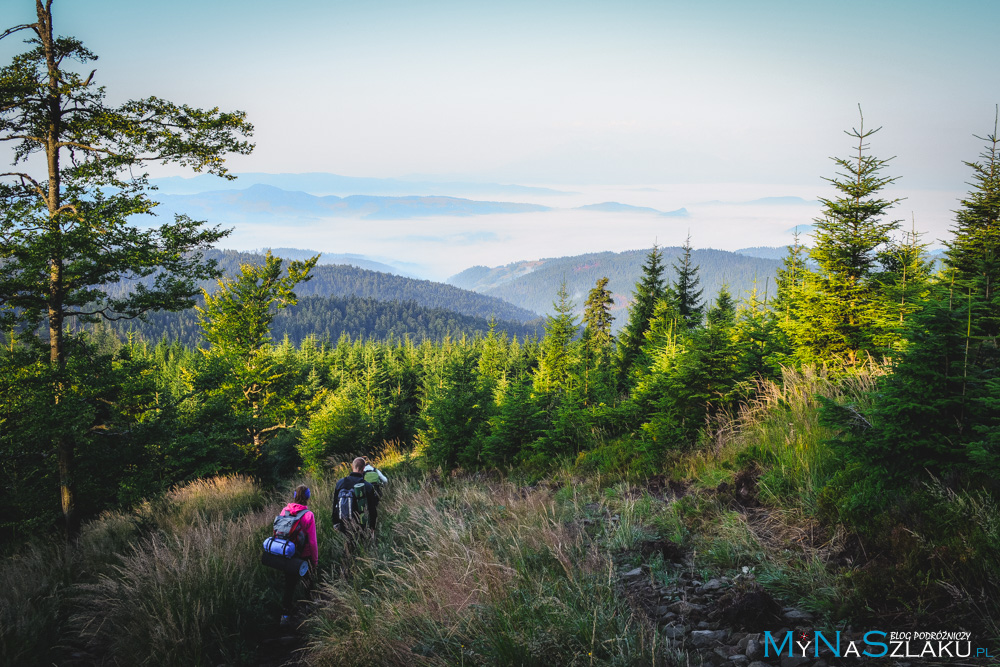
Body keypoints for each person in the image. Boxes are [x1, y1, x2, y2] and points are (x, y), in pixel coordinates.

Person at [278, 485, 317, 627]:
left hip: (287, 554)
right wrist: (315, 560)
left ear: (294, 495)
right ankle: (309, 611)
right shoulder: (308, 515)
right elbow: (312, 542)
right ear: (308, 496)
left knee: (289, 586)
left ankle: (285, 616)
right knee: (308, 583)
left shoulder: (284, 510)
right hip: (304, 555)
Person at [333, 457, 380, 545]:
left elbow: (335, 504)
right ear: (363, 469)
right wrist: (372, 527)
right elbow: (372, 509)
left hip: (344, 522)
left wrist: (335, 522)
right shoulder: (367, 486)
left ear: (352, 467)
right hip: (361, 524)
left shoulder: (340, 483)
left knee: (348, 545)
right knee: (362, 547)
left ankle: (347, 557)